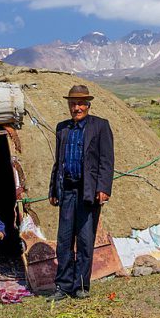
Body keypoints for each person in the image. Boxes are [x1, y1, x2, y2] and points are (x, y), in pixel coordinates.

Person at [45, 85, 114, 301]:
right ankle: (63, 286)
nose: (77, 108)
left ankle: (81, 285)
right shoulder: (62, 128)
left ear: (88, 105)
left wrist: (103, 188)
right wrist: (53, 189)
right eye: (73, 104)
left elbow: (106, 160)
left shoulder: (100, 126)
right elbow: (59, 161)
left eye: (81, 103)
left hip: (88, 192)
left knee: (85, 240)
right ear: (69, 105)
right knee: (64, 240)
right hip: (66, 191)